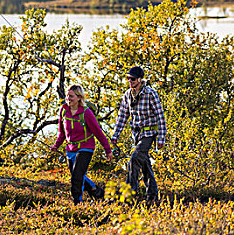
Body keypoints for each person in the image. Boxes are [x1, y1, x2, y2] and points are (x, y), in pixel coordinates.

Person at [111, 66, 166, 204]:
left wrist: (161, 138)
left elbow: (160, 116)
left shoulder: (150, 93)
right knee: (145, 165)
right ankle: (153, 197)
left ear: (140, 80)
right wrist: (115, 135)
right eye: (128, 78)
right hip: (136, 134)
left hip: (149, 133)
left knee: (134, 159)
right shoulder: (127, 95)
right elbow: (122, 116)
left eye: (133, 78)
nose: (130, 81)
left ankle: (128, 195)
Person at [51, 84, 113, 205]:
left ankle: (77, 203)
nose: (68, 99)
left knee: (76, 177)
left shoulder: (86, 113)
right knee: (77, 176)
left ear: (79, 98)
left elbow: (98, 132)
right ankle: (96, 190)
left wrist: (108, 150)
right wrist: (56, 145)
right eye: (67, 96)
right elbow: (62, 133)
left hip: (86, 147)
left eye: (71, 96)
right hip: (70, 149)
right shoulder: (63, 111)